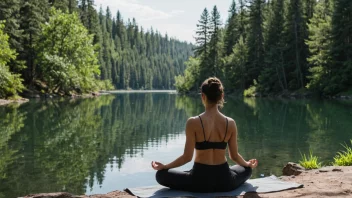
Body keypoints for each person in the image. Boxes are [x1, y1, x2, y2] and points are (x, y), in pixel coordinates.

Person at [151, 77, 258, 193]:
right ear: (221, 96)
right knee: (247, 170)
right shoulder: (230, 123)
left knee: (160, 175)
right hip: (225, 182)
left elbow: (187, 157)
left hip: (198, 182)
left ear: (203, 96)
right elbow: (234, 156)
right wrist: (247, 164)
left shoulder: (193, 122)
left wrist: (165, 166)